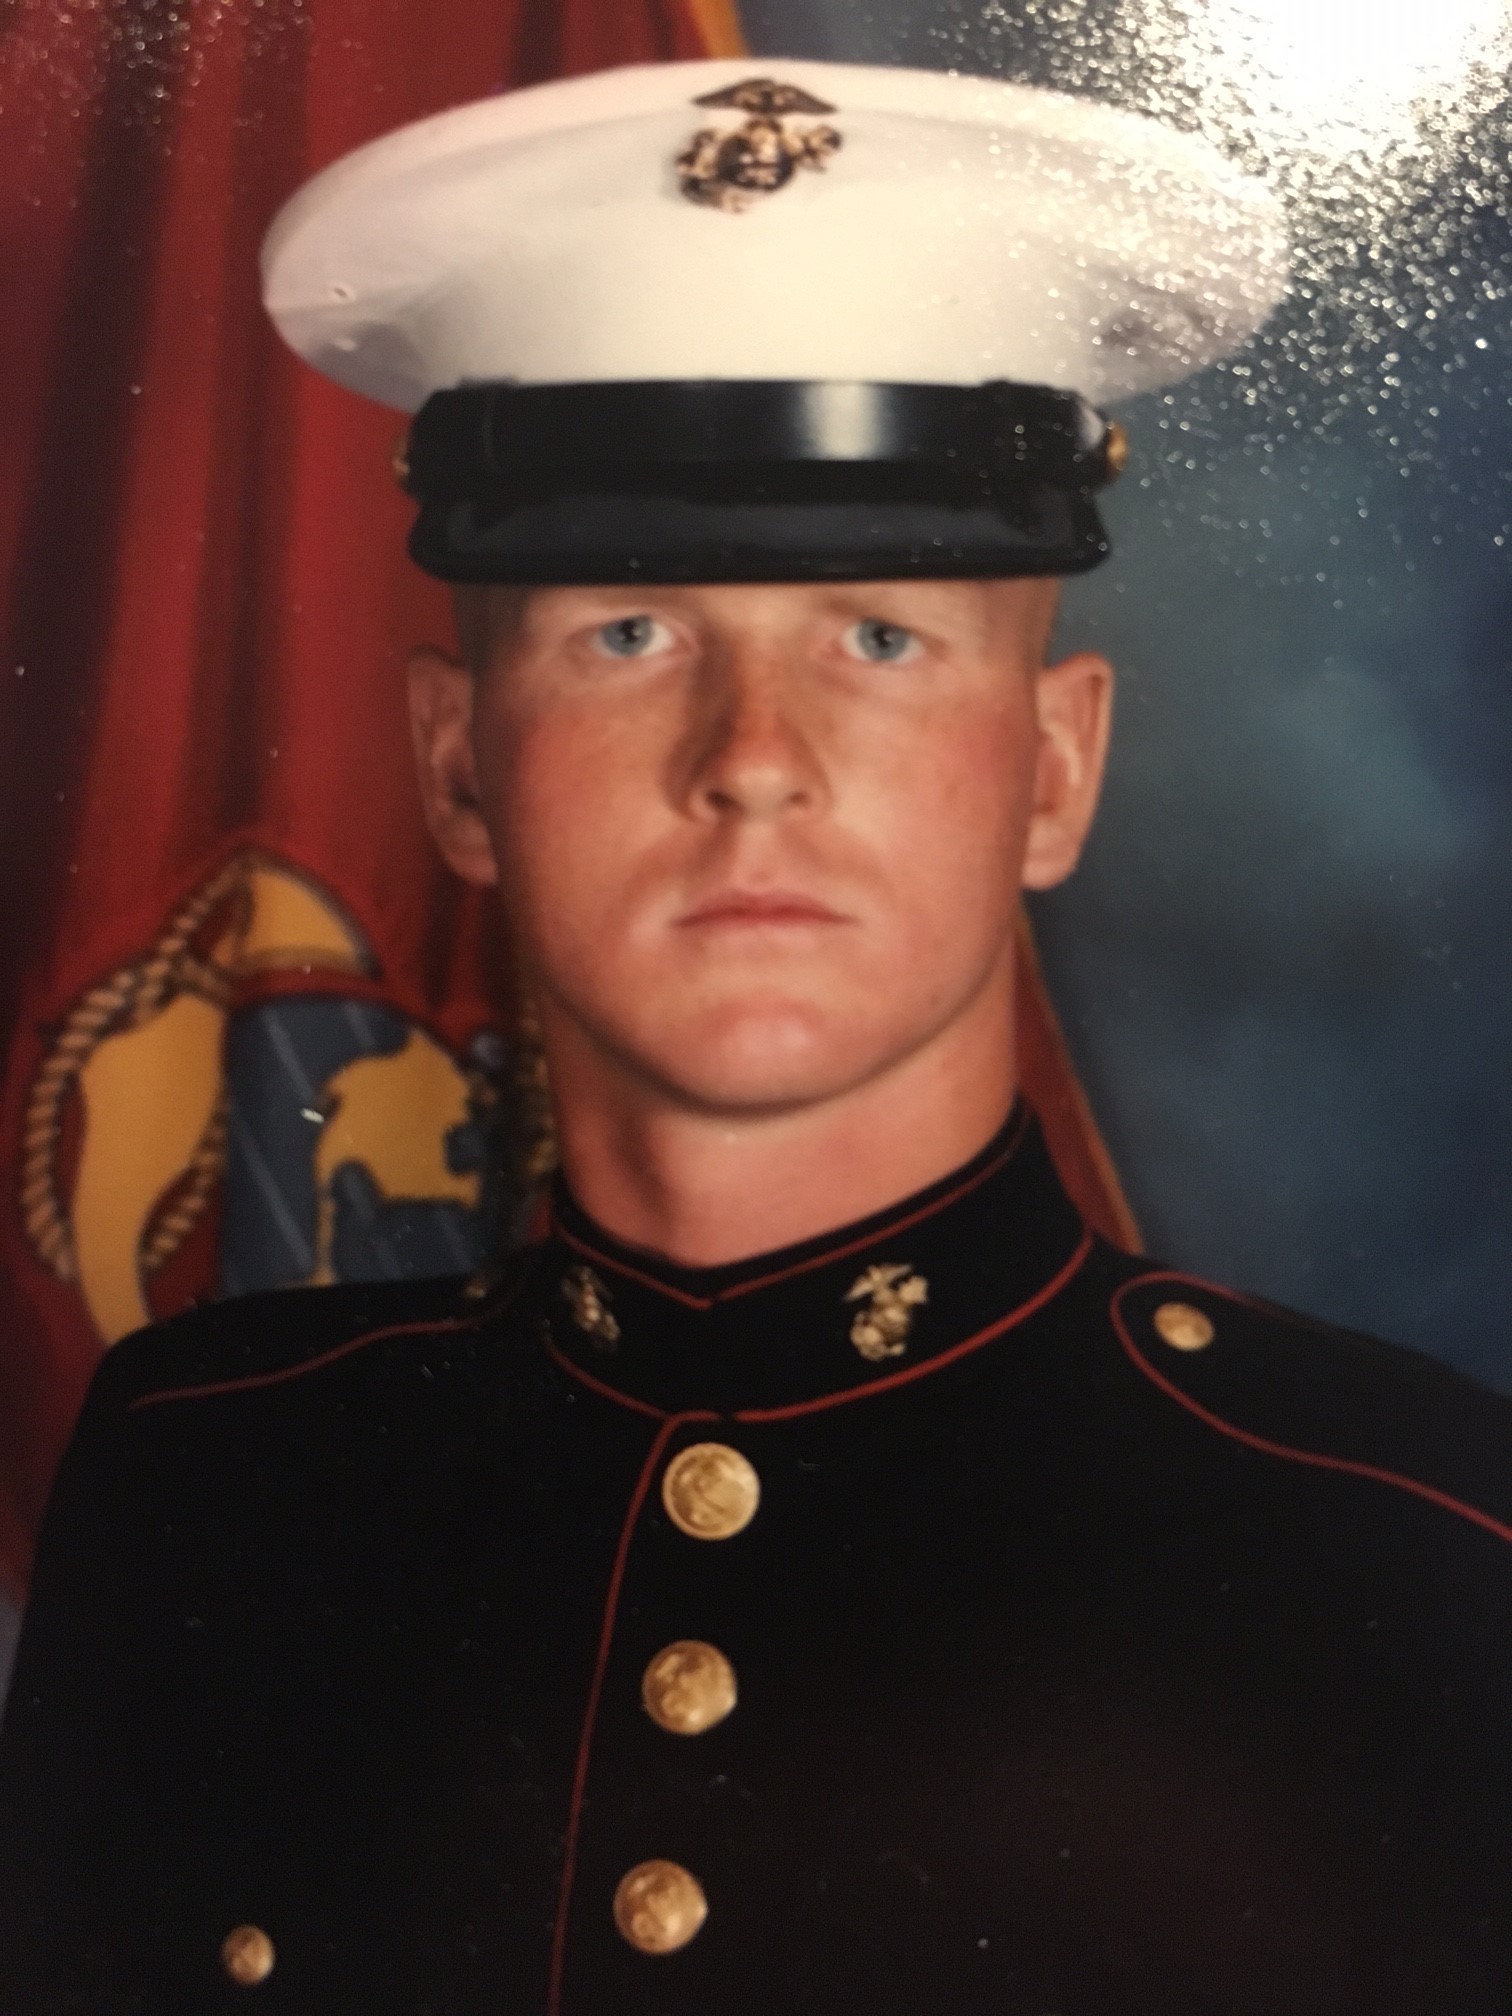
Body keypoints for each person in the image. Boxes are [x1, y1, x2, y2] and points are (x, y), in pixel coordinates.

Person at [1, 56, 1508, 2016]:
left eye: (878, 640)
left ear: (1054, 770)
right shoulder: (206, 1488)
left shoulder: (1417, 1558)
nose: (754, 767)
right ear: (459, 768)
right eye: (629, 636)